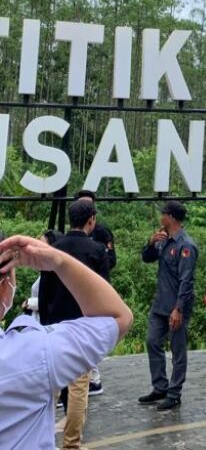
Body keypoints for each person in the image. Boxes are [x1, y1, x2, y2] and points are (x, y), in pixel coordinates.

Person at [0, 234, 132, 450]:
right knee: (78, 392)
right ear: (5, 285)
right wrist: (59, 262)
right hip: (64, 344)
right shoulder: (32, 354)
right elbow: (119, 317)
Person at [38, 200, 110, 450]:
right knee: (79, 388)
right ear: (91, 219)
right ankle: (72, 444)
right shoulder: (98, 252)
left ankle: (41, 440)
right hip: (83, 329)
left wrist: (45, 325)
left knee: (50, 388)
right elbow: (104, 294)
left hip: (54, 328)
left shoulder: (54, 249)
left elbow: (44, 291)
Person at [138, 200, 198, 411]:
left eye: (162, 213)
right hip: (159, 304)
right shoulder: (163, 240)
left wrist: (178, 308)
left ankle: (174, 393)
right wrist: (150, 242)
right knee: (152, 341)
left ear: (171, 217)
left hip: (176, 307)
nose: (160, 217)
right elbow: (146, 258)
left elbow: (187, 280)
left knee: (177, 350)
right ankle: (160, 386)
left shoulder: (186, 245)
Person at [75, 189, 117, 396]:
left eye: (89, 206)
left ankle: (93, 380)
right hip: (73, 292)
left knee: (89, 335)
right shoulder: (71, 234)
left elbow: (112, 262)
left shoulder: (102, 233)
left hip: (94, 291)